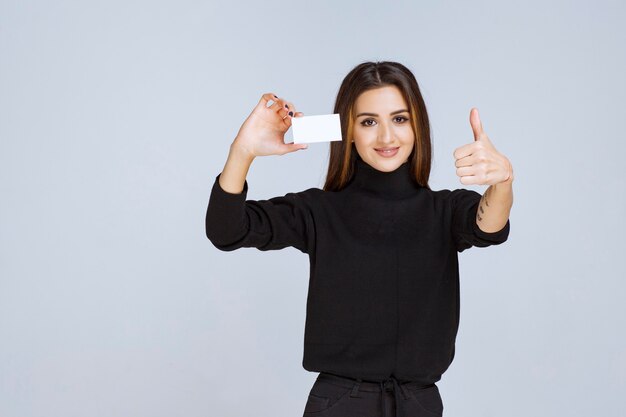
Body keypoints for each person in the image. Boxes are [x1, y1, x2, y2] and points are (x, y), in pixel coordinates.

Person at [205, 61, 514, 417]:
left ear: (417, 127)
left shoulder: (444, 210)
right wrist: (242, 151)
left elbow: (489, 225)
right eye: (369, 121)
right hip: (339, 403)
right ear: (348, 130)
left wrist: (502, 181)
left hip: (418, 403)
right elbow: (226, 230)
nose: (386, 137)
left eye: (400, 119)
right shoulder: (318, 210)